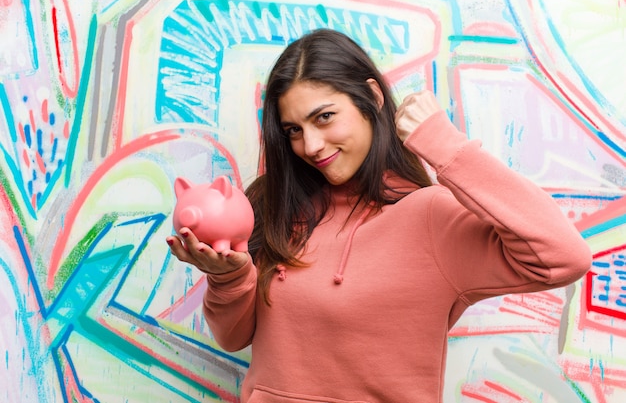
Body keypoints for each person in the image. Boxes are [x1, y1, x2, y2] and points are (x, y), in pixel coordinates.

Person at [166, 29, 591, 403]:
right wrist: (227, 278)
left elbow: (564, 256)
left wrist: (444, 147)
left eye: (325, 117)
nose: (310, 145)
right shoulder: (273, 206)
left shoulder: (431, 217)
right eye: (294, 130)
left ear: (371, 97)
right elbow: (234, 337)